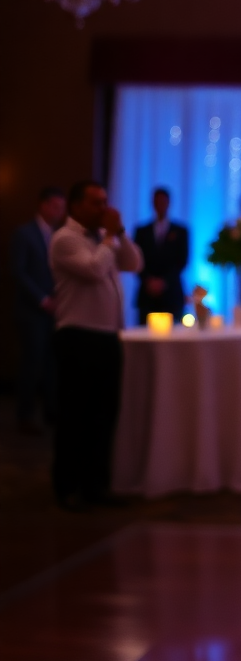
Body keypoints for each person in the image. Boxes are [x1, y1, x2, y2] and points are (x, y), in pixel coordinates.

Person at [50, 180, 143, 510]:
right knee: (74, 415)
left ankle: (96, 486)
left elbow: (134, 264)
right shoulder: (64, 239)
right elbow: (94, 270)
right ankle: (67, 488)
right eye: (95, 202)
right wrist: (109, 238)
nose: (103, 208)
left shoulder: (105, 238)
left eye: (105, 201)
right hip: (77, 336)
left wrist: (120, 234)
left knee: (103, 416)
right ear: (75, 206)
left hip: (107, 337)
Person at [11, 186, 66, 433]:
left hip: (57, 309)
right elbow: (18, 272)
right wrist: (43, 300)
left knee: (53, 363)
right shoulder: (24, 233)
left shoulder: (59, 235)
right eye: (55, 207)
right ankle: (25, 416)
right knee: (31, 363)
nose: (59, 212)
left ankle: (52, 412)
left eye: (62, 208)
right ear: (43, 205)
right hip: (32, 310)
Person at [133, 187, 189, 324]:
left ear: (169, 203)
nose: (160, 205)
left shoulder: (181, 231)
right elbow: (136, 260)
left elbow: (182, 260)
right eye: (157, 202)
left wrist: (164, 281)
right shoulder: (141, 231)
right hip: (147, 295)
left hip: (172, 294)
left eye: (163, 201)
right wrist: (148, 280)